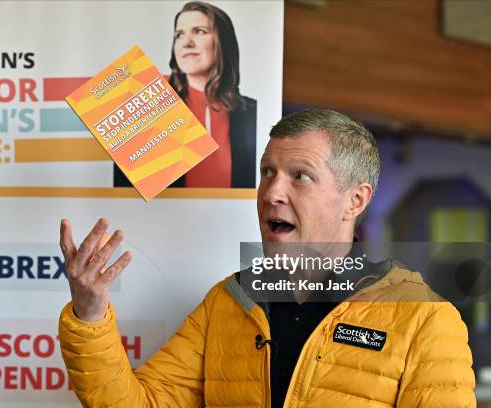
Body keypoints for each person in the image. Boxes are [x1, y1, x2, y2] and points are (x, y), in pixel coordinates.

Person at [60, 109, 475, 407]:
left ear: (355, 200)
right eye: (267, 172)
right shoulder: (229, 301)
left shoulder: (424, 320)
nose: (273, 193)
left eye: (301, 176)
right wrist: (89, 312)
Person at [114, 1, 257, 189]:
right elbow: (125, 192)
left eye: (199, 31)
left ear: (223, 41)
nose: (187, 42)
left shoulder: (253, 112)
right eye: (179, 35)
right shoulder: (148, 107)